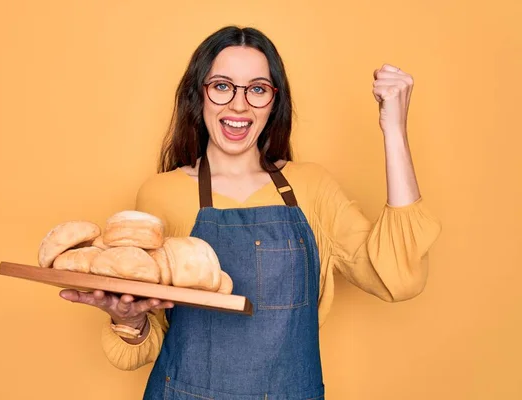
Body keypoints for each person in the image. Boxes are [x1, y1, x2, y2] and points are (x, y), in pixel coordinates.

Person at [59, 25, 442, 399]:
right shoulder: (162, 193)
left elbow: (397, 278)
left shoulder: (312, 188)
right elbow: (147, 341)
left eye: (257, 89)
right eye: (222, 86)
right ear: (199, 95)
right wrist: (129, 320)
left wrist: (394, 129)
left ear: (274, 102)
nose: (239, 104)